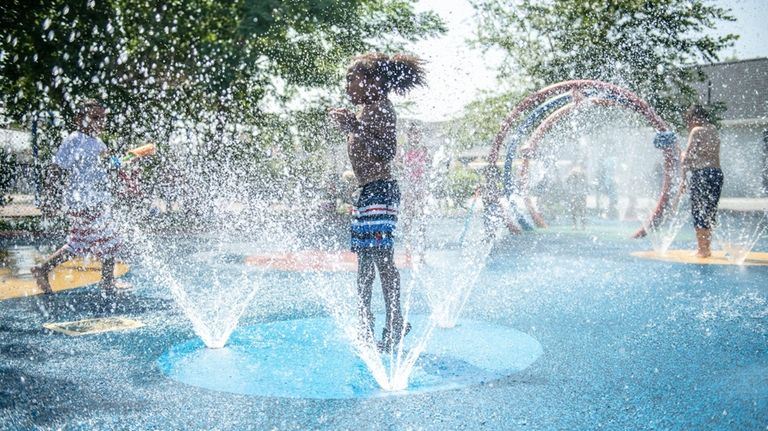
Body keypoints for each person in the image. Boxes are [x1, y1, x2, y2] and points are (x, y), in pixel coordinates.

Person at [328, 53, 425, 352]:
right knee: (365, 262)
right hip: (368, 193)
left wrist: (353, 127)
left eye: (351, 79)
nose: (347, 85)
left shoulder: (380, 108)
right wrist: (352, 124)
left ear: (373, 82)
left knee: (381, 259)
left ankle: (395, 320)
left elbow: (385, 152)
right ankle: (366, 322)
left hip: (381, 192)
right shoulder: (366, 109)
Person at [31, 100, 126, 294]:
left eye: (103, 118)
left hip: (95, 200)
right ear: (79, 119)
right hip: (83, 202)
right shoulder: (74, 140)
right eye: (95, 117)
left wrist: (118, 162)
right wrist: (51, 199)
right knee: (111, 238)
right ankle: (107, 282)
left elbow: (106, 166)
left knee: (79, 242)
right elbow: (56, 169)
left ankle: (42, 269)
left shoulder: (98, 142)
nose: (100, 122)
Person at [680, 104, 724, 258]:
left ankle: (702, 250)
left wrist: (682, 179)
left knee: (699, 211)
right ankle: (707, 248)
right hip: (716, 173)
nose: (688, 124)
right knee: (710, 211)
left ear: (695, 118)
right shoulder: (713, 129)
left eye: (689, 120)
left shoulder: (696, 131)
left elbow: (688, 158)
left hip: (702, 174)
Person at [400, 122, 430, 264]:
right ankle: (408, 249)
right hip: (409, 185)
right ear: (409, 135)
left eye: (418, 133)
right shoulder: (404, 149)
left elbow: (428, 167)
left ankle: (422, 252)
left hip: (421, 185)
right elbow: (400, 166)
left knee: (422, 218)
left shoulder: (424, 149)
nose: (416, 136)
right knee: (409, 216)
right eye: (413, 133)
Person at [482, 164, 521, 240]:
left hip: (492, 212)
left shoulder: (490, 187)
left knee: (491, 234)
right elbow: (495, 202)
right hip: (493, 211)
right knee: (493, 233)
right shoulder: (490, 187)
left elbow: (493, 201)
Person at [565, 161, 588, 230]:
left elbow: (586, 181)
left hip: (580, 193)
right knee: (574, 209)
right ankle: (575, 225)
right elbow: (567, 181)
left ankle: (582, 225)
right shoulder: (573, 173)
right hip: (575, 193)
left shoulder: (582, 173)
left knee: (581, 209)